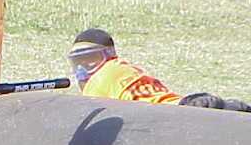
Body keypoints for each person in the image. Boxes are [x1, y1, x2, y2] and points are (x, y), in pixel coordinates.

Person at [67, 28, 251, 111]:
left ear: (108, 54)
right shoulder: (126, 68)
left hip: (181, 114)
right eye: (78, 63)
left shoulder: (99, 81)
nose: (82, 71)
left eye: (90, 60)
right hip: (191, 104)